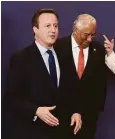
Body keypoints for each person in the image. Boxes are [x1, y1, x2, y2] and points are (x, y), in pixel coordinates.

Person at [2, 8, 81, 139]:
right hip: (33, 131)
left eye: (55, 26)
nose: (53, 30)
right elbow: (11, 98)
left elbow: (72, 90)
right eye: (47, 26)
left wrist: (76, 111)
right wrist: (36, 111)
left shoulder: (65, 56)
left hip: (63, 132)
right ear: (35, 29)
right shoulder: (21, 58)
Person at [54, 14, 107, 139]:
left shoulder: (98, 50)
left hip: (88, 116)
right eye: (86, 34)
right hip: (62, 114)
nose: (89, 39)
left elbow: (101, 82)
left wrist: (96, 109)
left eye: (93, 35)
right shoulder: (57, 47)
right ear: (76, 30)